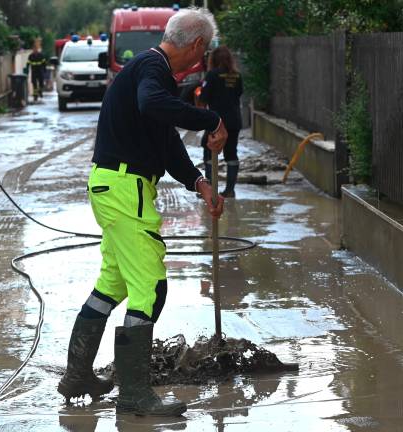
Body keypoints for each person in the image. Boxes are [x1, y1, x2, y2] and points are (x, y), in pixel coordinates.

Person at [57, 7, 228, 417]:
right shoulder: (152, 68)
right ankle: (134, 395)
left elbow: (166, 141)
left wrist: (199, 183)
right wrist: (210, 118)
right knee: (151, 288)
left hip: (113, 186)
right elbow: (154, 106)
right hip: (124, 188)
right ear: (198, 45)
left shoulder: (149, 72)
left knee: (111, 287)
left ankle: (77, 375)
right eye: (203, 54)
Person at [199, 46, 243, 198]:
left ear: (213, 60)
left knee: (209, 149)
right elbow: (238, 94)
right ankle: (230, 190)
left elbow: (202, 99)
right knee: (231, 153)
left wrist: (201, 116)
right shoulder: (237, 76)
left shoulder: (211, 75)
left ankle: (210, 189)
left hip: (216, 122)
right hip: (235, 120)